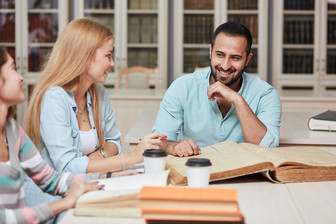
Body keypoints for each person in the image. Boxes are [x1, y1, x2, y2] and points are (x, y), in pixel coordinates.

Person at [23, 18, 165, 222]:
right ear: (85, 57)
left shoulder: (98, 92)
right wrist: (132, 157)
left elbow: (115, 141)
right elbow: (67, 166)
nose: (113, 63)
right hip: (54, 202)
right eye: (108, 55)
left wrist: (97, 155)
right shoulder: (55, 98)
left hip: (88, 187)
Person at [0, 46, 103, 223]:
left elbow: (50, 179)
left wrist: (108, 177)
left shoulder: (12, 131)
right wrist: (65, 203)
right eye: (13, 69)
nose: (21, 77)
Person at [153, 22, 282, 157]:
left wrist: (237, 100)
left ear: (248, 59)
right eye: (220, 55)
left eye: (235, 58)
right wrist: (174, 147)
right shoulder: (182, 87)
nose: (225, 66)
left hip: (245, 175)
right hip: (195, 170)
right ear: (210, 51)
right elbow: (159, 141)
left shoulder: (265, 94)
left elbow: (268, 147)